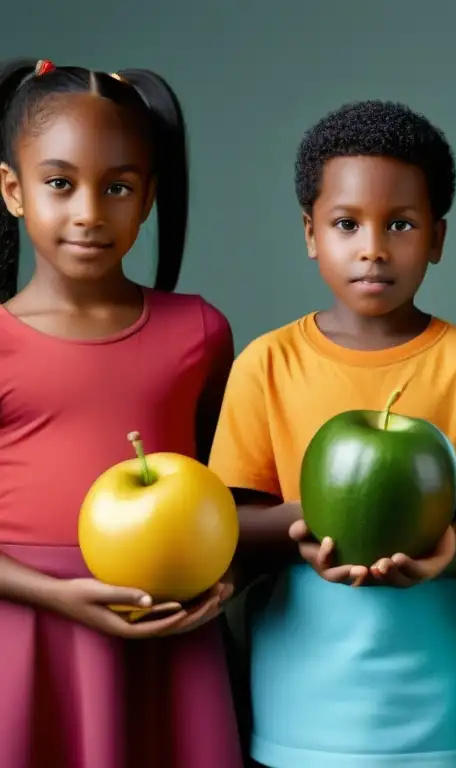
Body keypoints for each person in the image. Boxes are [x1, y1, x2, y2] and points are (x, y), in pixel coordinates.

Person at [207, 99, 456, 768]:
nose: (373, 247)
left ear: (436, 237)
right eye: (347, 223)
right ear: (311, 232)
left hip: (439, 696)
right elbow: (231, 519)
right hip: (299, 697)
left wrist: (436, 550)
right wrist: (319, 524)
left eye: (400, 224)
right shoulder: (267, 363)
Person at [0, 59, 242, 767]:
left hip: (169, 629)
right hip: (27, 633)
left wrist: (226, 573)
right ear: (13, 190)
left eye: (117, 187)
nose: (88, 211)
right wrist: (58, 596)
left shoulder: (198, 332)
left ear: (148, 199)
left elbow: (225, 493)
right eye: (59, 183)